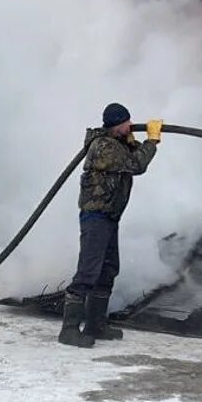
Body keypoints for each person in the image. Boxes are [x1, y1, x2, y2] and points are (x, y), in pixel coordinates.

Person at [58, 103, 161, 348]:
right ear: (117, 125)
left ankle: (96, 324)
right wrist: (151, 142)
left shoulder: (116, 143)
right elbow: (136, 165)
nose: (130, 124)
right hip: (96, 218)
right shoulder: (104, 146)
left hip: (109, 216)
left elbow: (128, 158)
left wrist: (133, 142)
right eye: (126, 122)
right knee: (88, 271)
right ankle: (69, 330)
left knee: (108, 269)